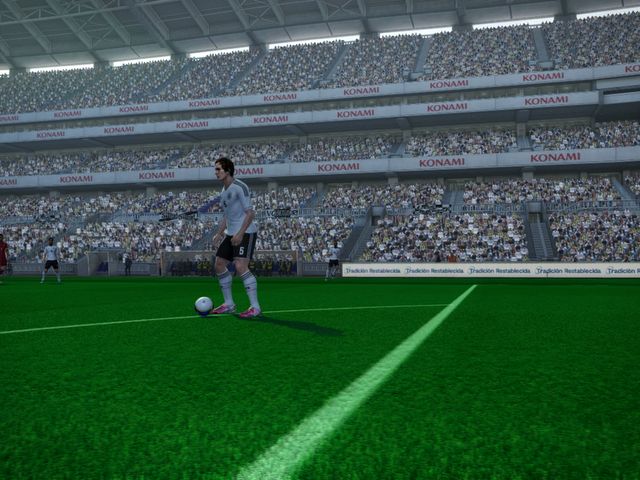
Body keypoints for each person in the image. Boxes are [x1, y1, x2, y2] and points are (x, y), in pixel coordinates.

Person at [210, 157, 261, 318]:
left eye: (218, 169)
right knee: (219, 264)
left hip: (246, 232)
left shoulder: (240, 187)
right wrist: (219, 233)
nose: (216, 172)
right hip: (230, 233)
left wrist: (240, 233)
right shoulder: (223, 191)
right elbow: (227, 216)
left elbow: (250, 213)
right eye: (215, 169)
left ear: (228, 170)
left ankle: (255, 307)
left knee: (240, 266)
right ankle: (229, 304)